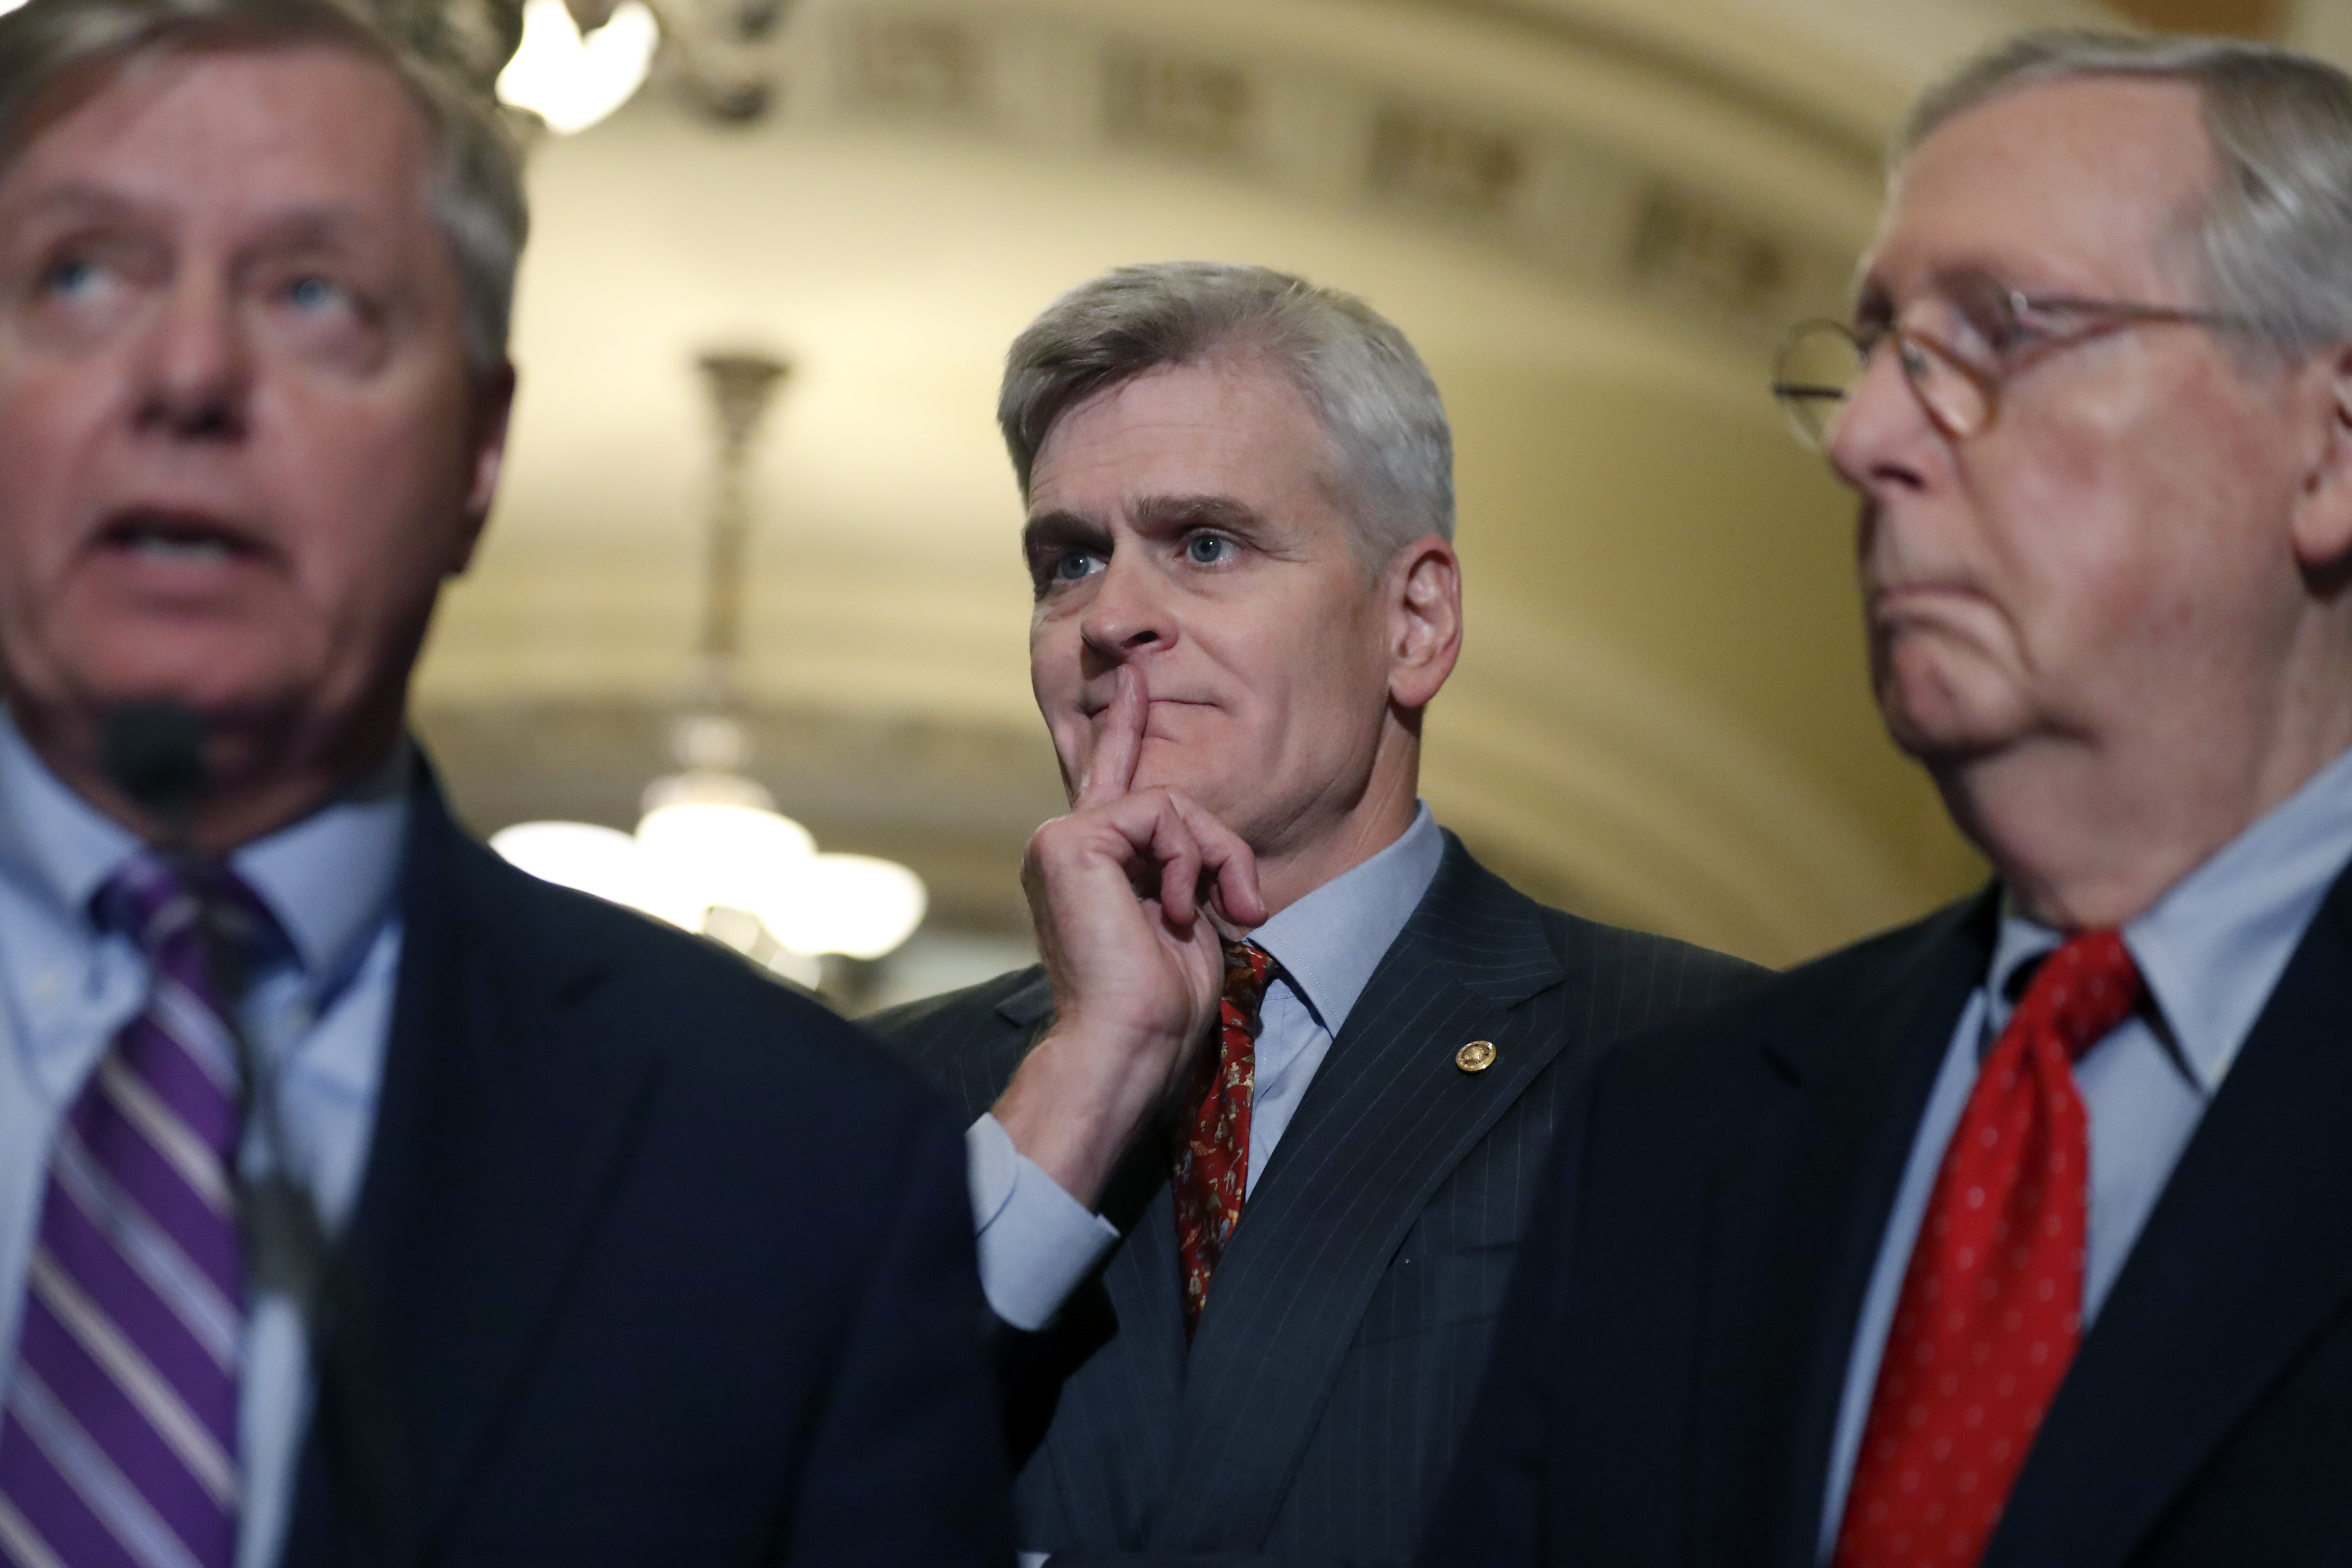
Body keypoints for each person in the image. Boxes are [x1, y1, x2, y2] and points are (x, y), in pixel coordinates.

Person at [0, 0, 1010, 1564]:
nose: (191, 372)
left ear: (477, 450)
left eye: (315, 295)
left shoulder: (800, 1174)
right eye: (81, 273)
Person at [1424, 29, 2352, 1568]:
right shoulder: (1671, 1138)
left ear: (2326, 450)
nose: (1864, 439)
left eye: (2001, 333)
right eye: (1872, 352)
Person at [864, 261, 1758, 1568]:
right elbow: (747, 1488)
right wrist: (1087, 1074)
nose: (1111, 618)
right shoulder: (871, 1100)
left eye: (1205, 544)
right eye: (1069, 562)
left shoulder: (1698, 1062)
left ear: (1416, 622)